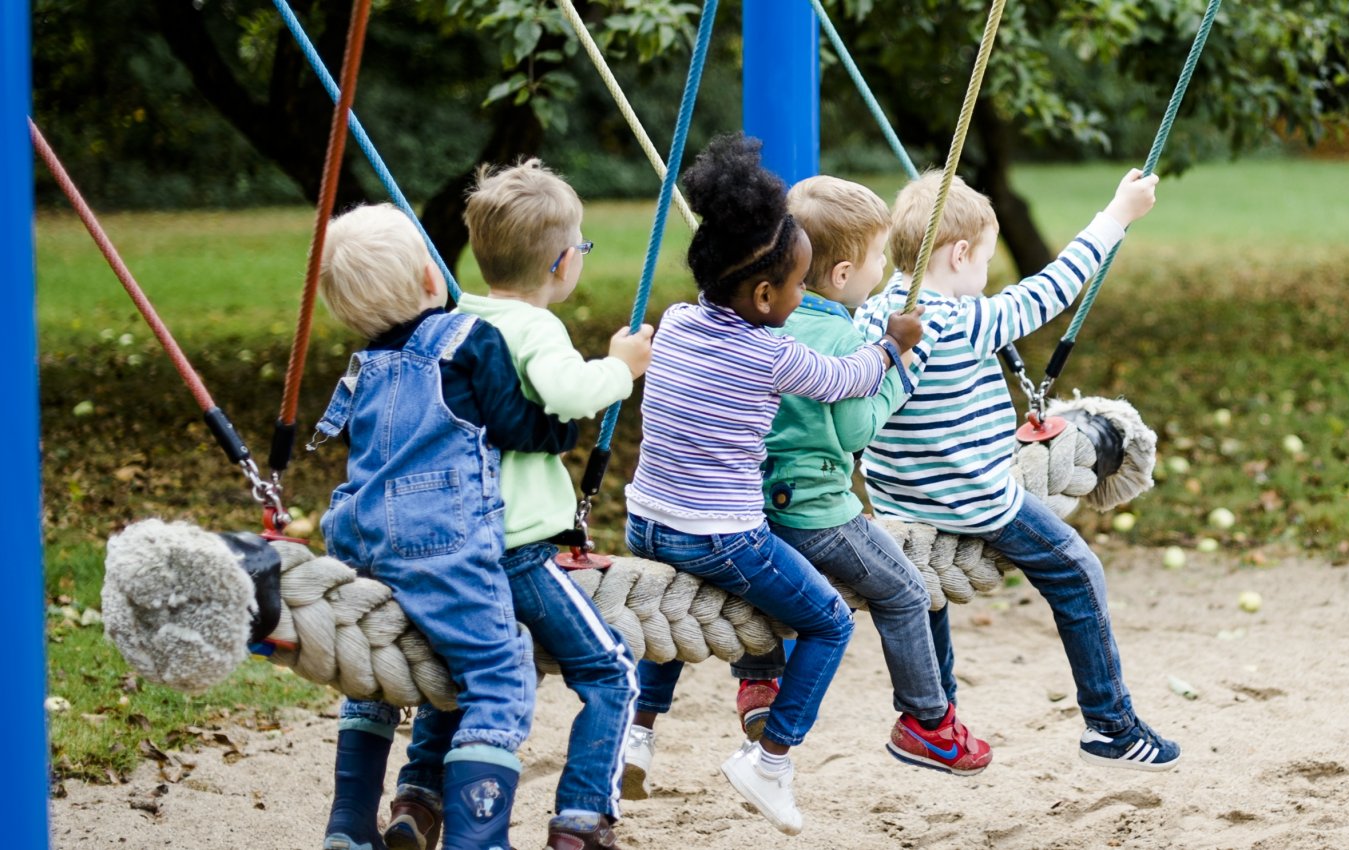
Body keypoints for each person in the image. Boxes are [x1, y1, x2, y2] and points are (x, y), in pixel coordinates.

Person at [619, 133, 923, 836]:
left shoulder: (680, 320)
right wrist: (896, 344)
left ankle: (637, 732)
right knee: (829, 620)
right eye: (796, 286)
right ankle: (771, 760)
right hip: (719, 534)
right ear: (763, 294)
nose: (801, 296)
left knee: (670, 609)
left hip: (645, 519)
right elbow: (852, 380)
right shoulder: (773, 353)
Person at [857, 168, 1183, 772]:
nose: (985, 278)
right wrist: (1119, 213)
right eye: (983, 260)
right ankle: (1110, 725)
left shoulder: (873, 318)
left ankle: (937, 717)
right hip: (974, 500)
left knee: (927, 593)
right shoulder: (964, 321)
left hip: (899, 503)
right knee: (1077, 573)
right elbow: (1055, 286)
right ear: (958, 254)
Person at [379, 160, 655, 850]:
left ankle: (417, 798)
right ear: (563, 263)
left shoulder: (455, 318)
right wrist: (624, 366)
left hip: (453, 547)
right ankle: (581, 818)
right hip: (521, 553)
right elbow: (567, 395)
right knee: (611, 671)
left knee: (468, 669)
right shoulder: (535, 330)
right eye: (583, 249)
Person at [310, 203, 572, 850]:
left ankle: (348, 825)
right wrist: (563, 429)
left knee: (375, 669)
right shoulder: (467, 339)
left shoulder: (363, 365)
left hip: (359, 530)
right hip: (439, 533)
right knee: (499, 672)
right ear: (433, 279)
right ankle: (476, 838)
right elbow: (515, 424)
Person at [723, 175, 990, 776]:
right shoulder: (843, 335)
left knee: (756, 589)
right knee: (903, 591)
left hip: (745, 508)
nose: (886, 270)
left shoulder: (755, 317)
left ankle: (757, 683)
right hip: (815, 513)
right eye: (877, 257)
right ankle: (927, 722)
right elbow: (854, 432)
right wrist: (900, 366)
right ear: (843, 275)